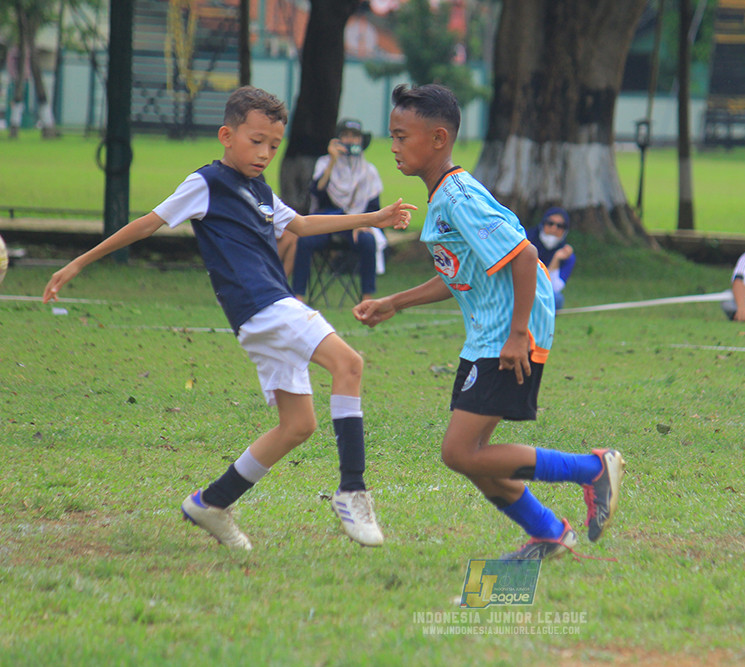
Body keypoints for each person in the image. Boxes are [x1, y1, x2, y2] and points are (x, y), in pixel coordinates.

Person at [42, 86, 415, 550]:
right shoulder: (207, 183)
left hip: (262, 314)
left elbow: (300, 224)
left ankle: (212, 502)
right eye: (256, 141)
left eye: (273, 146)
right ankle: (353, 490)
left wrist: (373, 218)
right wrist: (78, 263)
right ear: (226, 136)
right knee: (350, 364)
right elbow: (148, 223)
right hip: (265, 307)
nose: (264, 154)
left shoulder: (259, 189)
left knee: (298, 425)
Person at [353, 83, 624, 560]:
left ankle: (592, 468)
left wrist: (518, 335)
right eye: (392, 136)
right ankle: (549, 532)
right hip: (488, 334)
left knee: (460, 452)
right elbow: (462, 275)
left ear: (439, 138)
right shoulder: (444, 197)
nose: (393, 146)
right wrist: (395, 302)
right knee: (473, 457)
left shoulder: (458, 196)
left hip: (509, 332)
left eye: (401, 136)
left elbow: (525, 256)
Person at [291, 119, 387, 302]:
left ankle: (367, 297)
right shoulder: (324, 163)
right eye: (346, 136)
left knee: (368, 240)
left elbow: (374, 206)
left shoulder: (369, 171)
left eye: (355, 136)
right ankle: (298, 297)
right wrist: (332, 162)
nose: (350, 141)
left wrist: (365, 223)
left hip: (355, 224)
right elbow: (317, 193)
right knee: (304, 240)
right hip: (327, 221)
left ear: (361, 141)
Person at [526, 207, 575, 311]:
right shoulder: (525, 242)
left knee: (557, 299)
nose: (554, 229)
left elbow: (554, 289)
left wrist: (556, 260)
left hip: (540, 293)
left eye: (560, 226)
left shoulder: (566, 256)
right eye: (550, 223)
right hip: (519, 288)